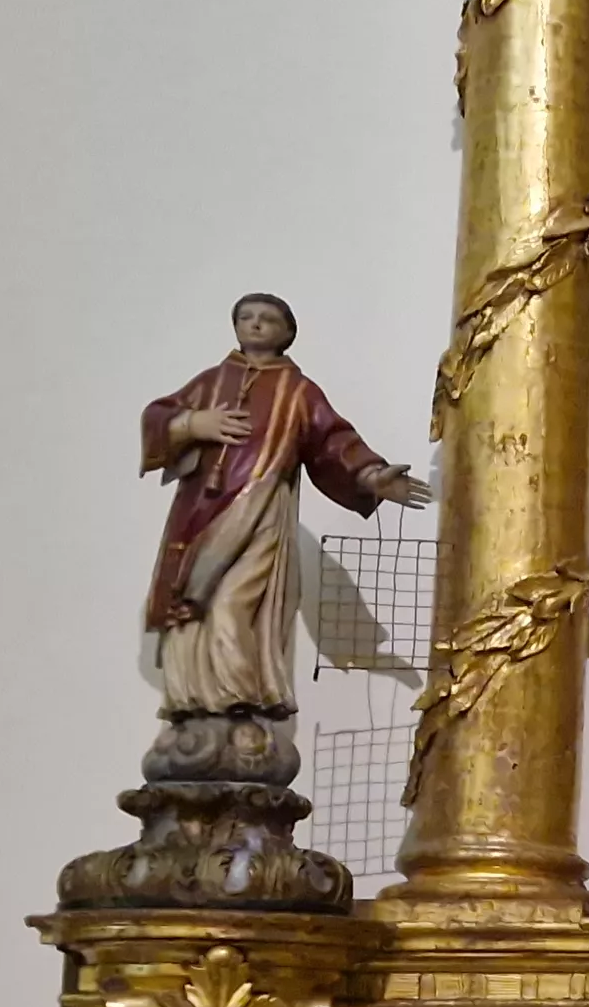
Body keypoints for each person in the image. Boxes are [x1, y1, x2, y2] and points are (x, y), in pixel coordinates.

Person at [138, 293, 432, 714]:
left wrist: (371, 476)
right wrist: (192, 423)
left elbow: (333, 442)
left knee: (235, 602)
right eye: (246, 317)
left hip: (261, 514)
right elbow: (158, 416)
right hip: (202, 511)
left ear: (287, 333)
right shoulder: (209, 383)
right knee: (192, 605)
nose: (255, 325)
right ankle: (195, 698)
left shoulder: (298, 392)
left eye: (268, 319)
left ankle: (240, 692)